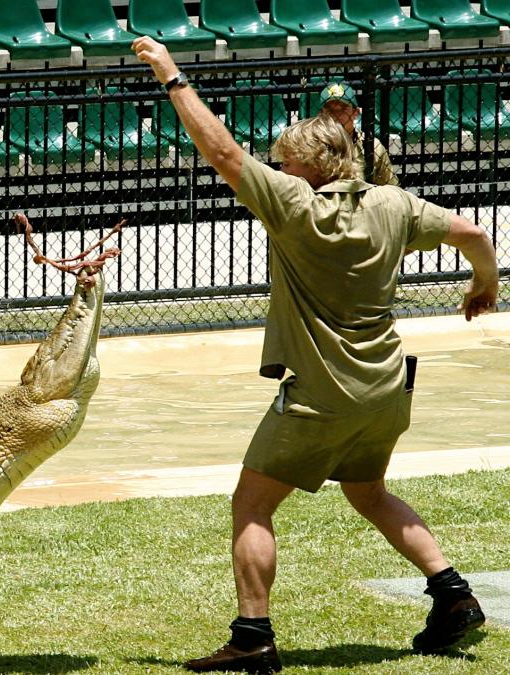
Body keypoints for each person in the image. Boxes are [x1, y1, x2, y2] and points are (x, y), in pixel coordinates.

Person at [131, 36, 499, 674]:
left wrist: (171, 76)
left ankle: (251, 637)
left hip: (324, 395)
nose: (276, 171)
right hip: (387, 389)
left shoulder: (294, 207)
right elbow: (473, 232)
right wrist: (484, 283)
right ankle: (453, 594)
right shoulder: (393, 204)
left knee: (252, 503)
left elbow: (219, 150)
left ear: (304, 169)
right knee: (369, 492)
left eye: (283, 164)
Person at [317, 81, 398, 187]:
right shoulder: (312, 146)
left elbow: (391, 187)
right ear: (321, 114)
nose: (336, 116)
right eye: (330, 110)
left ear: (356, 112)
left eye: (343, 109)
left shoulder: (373, 147)